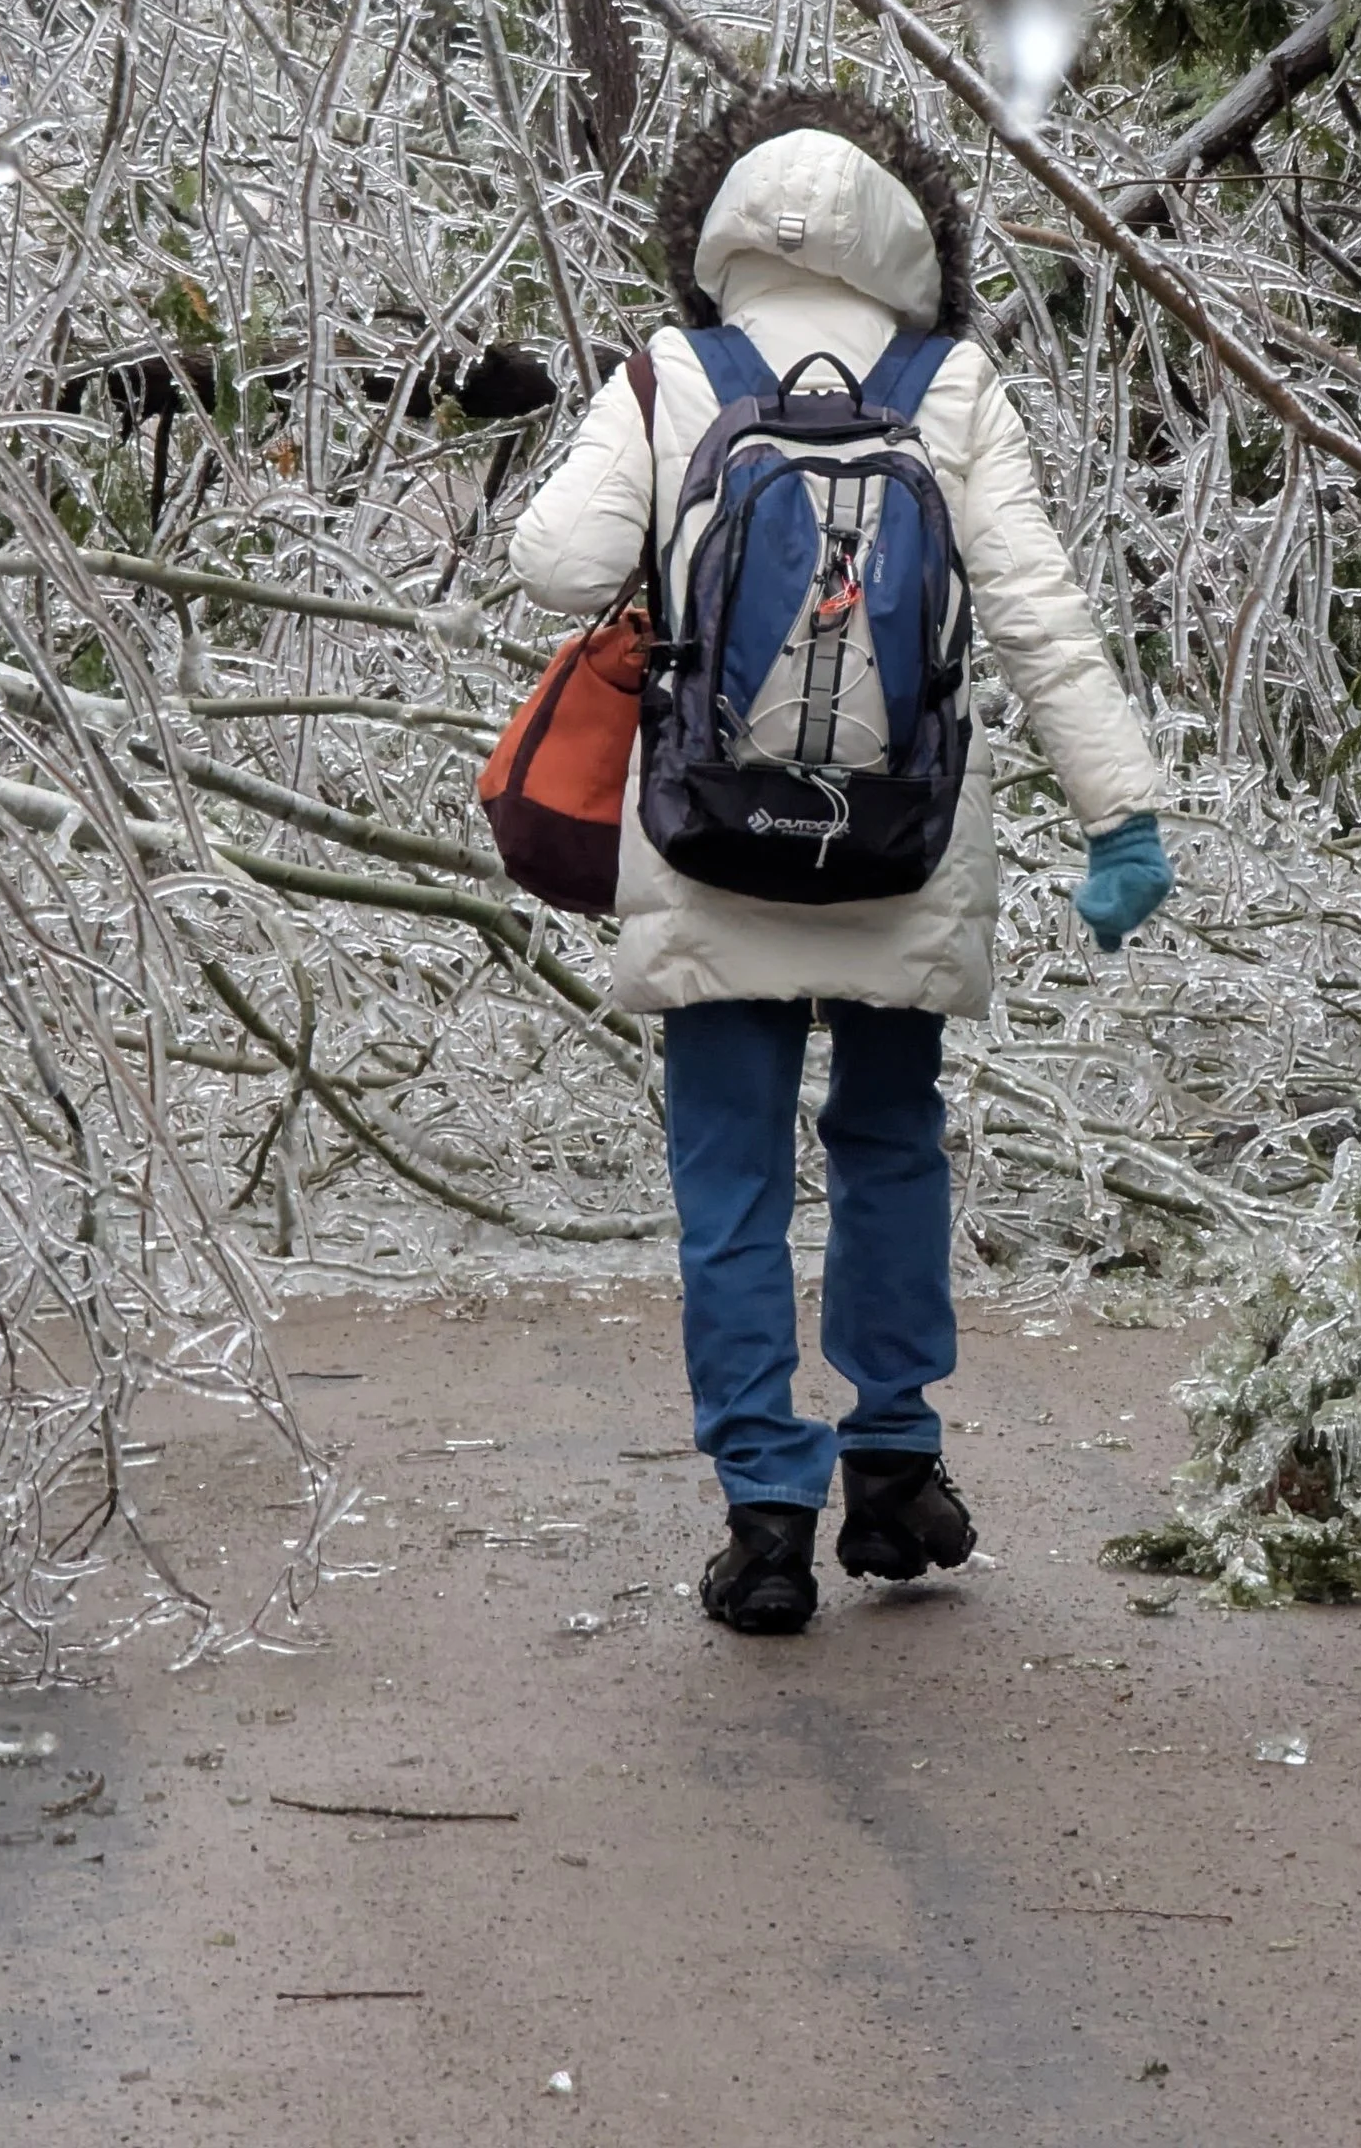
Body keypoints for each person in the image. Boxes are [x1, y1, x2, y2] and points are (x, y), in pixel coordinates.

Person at [507, 90, 1172, 1633]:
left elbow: (554, 561)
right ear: (909, 241)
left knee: (729, 1183)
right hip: (904, 840)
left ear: (716, 237)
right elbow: (1036, 613)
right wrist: (1118, 818)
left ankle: (763, 1521)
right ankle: (894, 1463)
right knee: (891, 1140)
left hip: (710, 835)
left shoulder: (678, 374)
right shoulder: (951, 383)